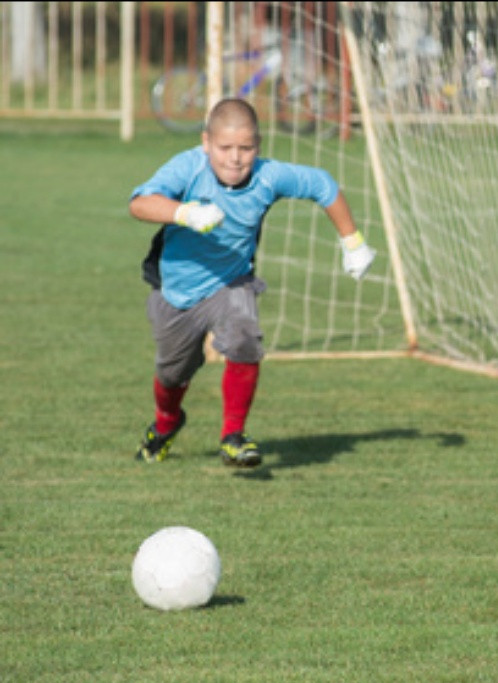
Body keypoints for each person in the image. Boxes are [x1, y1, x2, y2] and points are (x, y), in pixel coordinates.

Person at [129, 97, 375, 467]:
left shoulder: (268, 176)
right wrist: (185, 213)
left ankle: (234, 435)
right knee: (171, 373)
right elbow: (140, 203)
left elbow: (323, 185)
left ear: (257, 147)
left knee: (245, 338)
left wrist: (352, 242)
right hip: (175, 290)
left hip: (231, 281)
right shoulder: (188, 167)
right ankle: (166, 424)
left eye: (245, 148)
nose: (235, 158)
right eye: (225, 148)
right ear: (206, 142)